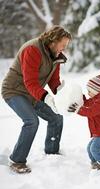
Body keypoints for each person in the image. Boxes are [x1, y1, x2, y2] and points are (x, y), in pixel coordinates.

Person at [1, 25, 71, 174]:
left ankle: (52, 154)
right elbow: (30, 81)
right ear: (53, 41)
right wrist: (46, 97)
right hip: (14, 91)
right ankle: (17, 160)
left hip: (32, 93)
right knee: (31, 121)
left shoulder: (56, 55)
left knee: (56, 117)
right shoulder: (32, 49)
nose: (64, 49)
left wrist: (60, 91)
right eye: (63, 45)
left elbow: (53, 80)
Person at [68, 74, 100, 173]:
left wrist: (78, 110)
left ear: (97, 91)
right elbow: (88, 104)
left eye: (90, 91)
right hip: (99, 131)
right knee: (89, 148)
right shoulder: (96, 99)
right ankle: (95, 163)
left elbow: (91, 111)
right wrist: (81, 98)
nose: (88, 93)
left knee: (94, 149)